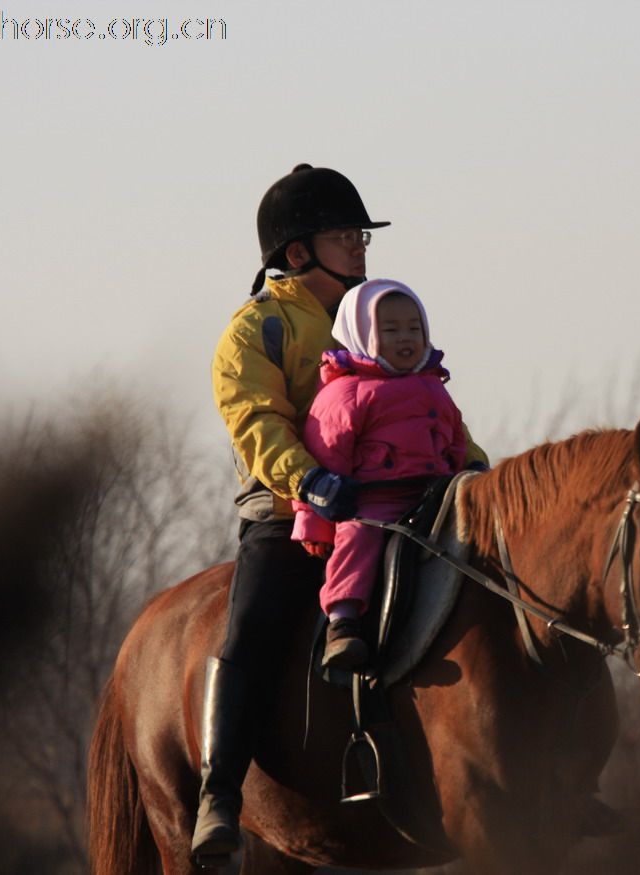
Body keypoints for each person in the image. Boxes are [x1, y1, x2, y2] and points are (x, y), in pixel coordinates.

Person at [195, 164, 488, 864]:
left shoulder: (380, 309)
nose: (361, 247)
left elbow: (428, 405)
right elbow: (254, 419)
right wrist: (310, 480)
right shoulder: (255, 329)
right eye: (344, 235)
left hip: (411, 501)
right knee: (252, 629)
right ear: (298, 253)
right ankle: (218, 794)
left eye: (361, 235)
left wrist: (477, 472)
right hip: (297, 508)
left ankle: (543, 767)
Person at [289, 279, 469, 669]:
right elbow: (325, 456)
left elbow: (455, 440)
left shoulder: (434, 387)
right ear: (362, 332)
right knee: (359, 540)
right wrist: (316, 526)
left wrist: (473, 475)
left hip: (435, 496)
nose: (405, 338)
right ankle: (343, 621)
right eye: (390, 330)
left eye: (414, 329)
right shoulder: (346, 393)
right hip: (375, 502)